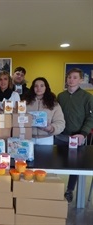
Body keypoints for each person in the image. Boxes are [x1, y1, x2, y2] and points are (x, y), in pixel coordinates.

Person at [55, 68, 93, 203]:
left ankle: (69, 190)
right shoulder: (61, 96)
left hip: (77, 137)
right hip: (59, 136)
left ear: (81, 80)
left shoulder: (87, 97)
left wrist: (83, 134)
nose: (71, 80)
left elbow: (91, 117)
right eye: (69, 77)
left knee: (75, 166)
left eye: (75, 77)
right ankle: (54, 189)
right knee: (55, 163)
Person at [24, 77, 65, 145]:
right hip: (28, 138)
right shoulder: (25, 103)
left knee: (46, 156)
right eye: (36, 86)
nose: (39, 88)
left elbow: (60, 123)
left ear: (46, 87)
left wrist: (51, 128)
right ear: (33, 88)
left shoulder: (54, 104)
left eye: (42, 86)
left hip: (46, 139)